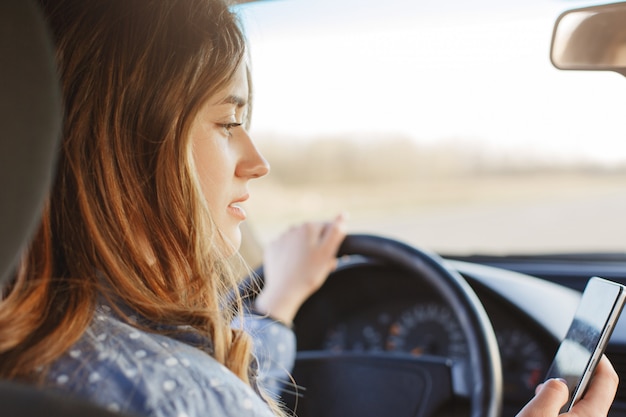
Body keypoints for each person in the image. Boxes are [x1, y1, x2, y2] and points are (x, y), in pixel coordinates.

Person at [0, 0, 617, 417]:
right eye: (228, 121)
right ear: (117, 147)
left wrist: (279, 306)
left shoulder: (75, 348)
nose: (257, 160)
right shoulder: (177, 392)